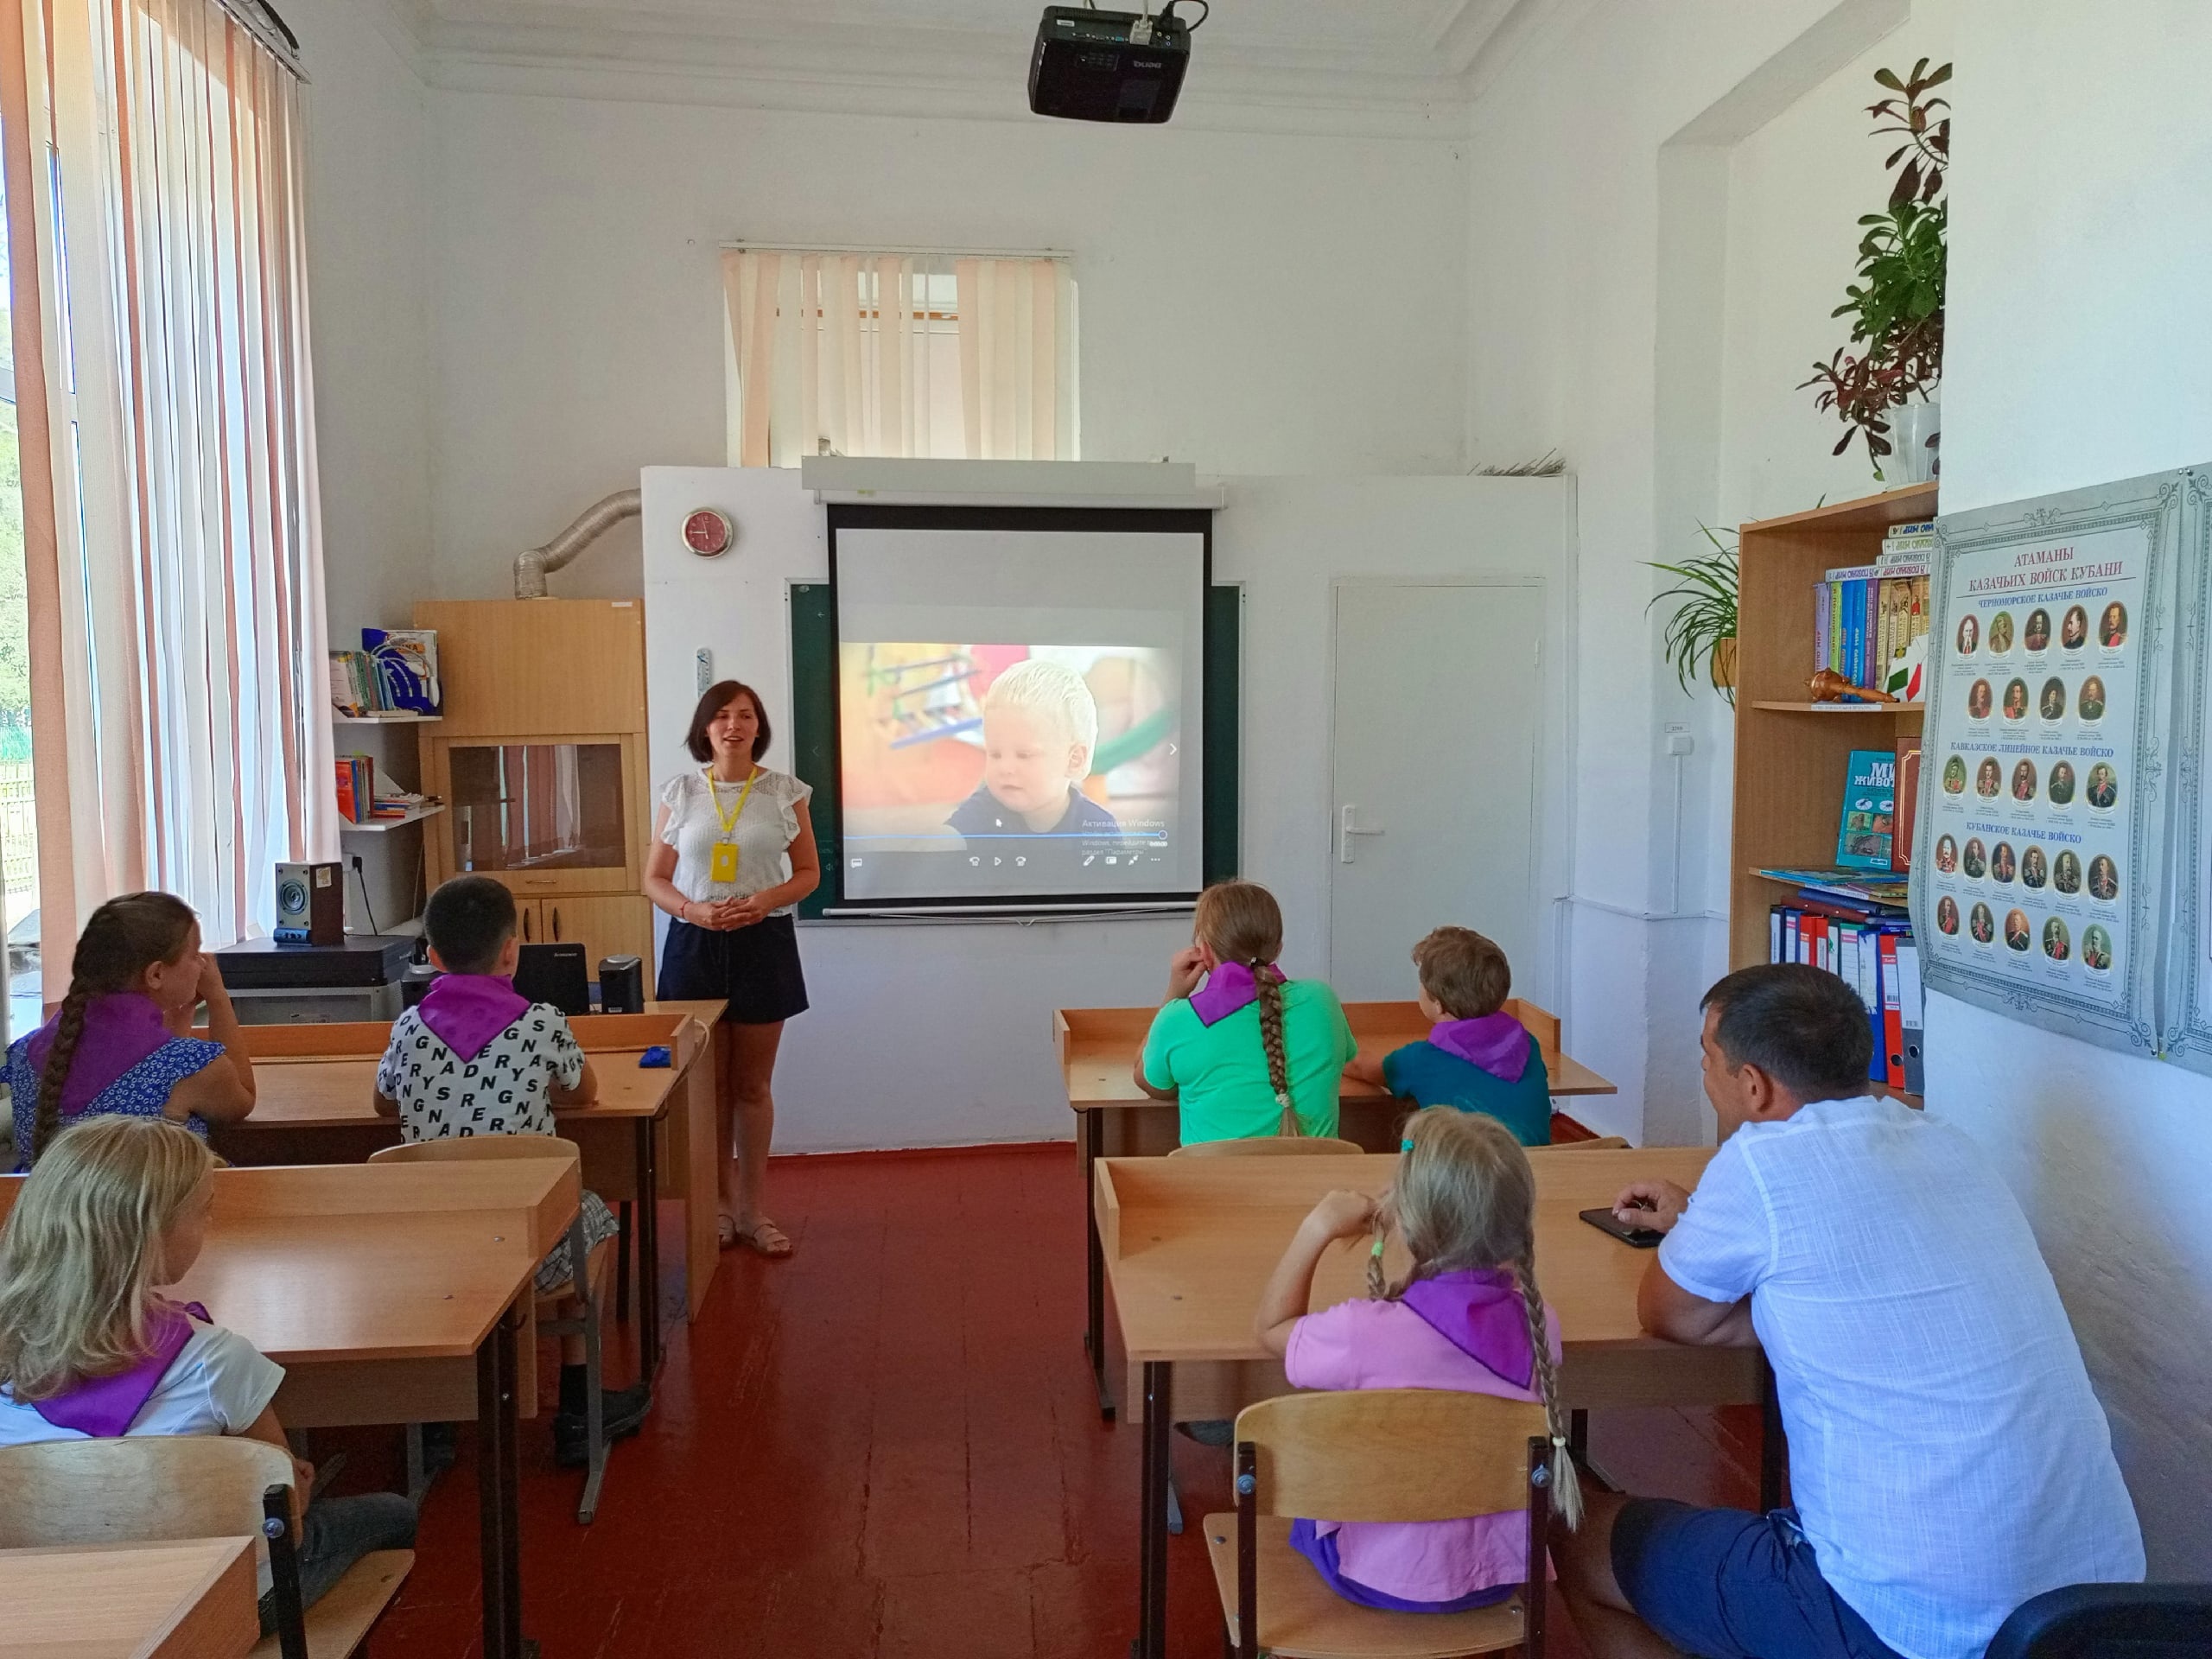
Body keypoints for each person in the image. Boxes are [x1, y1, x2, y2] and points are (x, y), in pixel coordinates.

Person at [1552, 965, 2143, 1659]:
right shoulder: (1946, 1141)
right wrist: (1708, 1226)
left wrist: (1711, 1237)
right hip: (2093, 1612)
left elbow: (1668, 1314)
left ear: (1753, 1085)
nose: (1705, 1074)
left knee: (1574, 1529)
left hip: (1905, 1618)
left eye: (1708, 1058)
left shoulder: (1761, 1162)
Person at [0, 1118, 417, 1630]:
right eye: (202, 1211)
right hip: (201, 1607)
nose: (210, 1222)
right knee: (394, 1513)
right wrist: (297, 1483)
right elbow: (283, 1515)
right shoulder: (214, 1360)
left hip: (38, 1607)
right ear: (154, 1235)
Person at [1252, 1109, 1579, 1611]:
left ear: (1406, 1220)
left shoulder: (1363, 1332)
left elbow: (1271, 1329)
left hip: (1374, 1573)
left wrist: (1317, 1227)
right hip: (1500, 1572)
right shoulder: (1543, 1327)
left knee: (1307, 1502)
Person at [375, 876, 648, 1460]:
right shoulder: (541, 1022)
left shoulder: (408, 1028)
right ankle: (577, 1407)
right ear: (510, 951)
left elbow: (382, 1102)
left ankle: (436, 1420)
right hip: (524, 1247)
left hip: (426, 1249)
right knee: (591, 1217)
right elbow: (584, 1093)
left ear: (431, 957)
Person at [644, 680, 820, 1259]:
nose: (733, 726)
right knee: (709, 1088)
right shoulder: (680, 792)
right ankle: (718, 1208)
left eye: (745, 715)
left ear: (758, 726)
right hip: (694, 944)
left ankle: (753, 1210)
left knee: (751, 1086)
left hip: (763, 942)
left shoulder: (785, 792)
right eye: (721, 716)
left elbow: (809, 873)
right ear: (705, 728)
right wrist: (691, 909)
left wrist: (766, 900)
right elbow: (654, 879)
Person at [6, 892, 255, 1171]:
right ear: (156, 974)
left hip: (45, 1199)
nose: (202, 964)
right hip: (153, 1201)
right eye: (195, 954)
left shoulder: (24, 1052)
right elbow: (243, 1099)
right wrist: (218, 996)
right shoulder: (189, 1067)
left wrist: (179, 1013)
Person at [1136, 880, 1357, 1144]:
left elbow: (1150, 1082)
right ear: (1278, 949)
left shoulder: (1179, 1019)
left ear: (1204, 952)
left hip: (1212, 1173)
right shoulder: (1322, 1000)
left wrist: (1174, 993)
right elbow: (1347, 1059)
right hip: (1319, 1172)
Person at [1343, 927, 1551, 1146]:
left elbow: (1359, 1066)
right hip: (1536, 1165)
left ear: (1438, 1003)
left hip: (1467, 1167)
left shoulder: (1420, 1059)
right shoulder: (1528, 1043)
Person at [944, 658, 1122, 871]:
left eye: (1024, 755)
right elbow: (948, 840)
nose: (1005, 768)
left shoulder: (1097, 829)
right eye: (995, 754)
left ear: (1074, 760)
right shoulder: (983, 810)